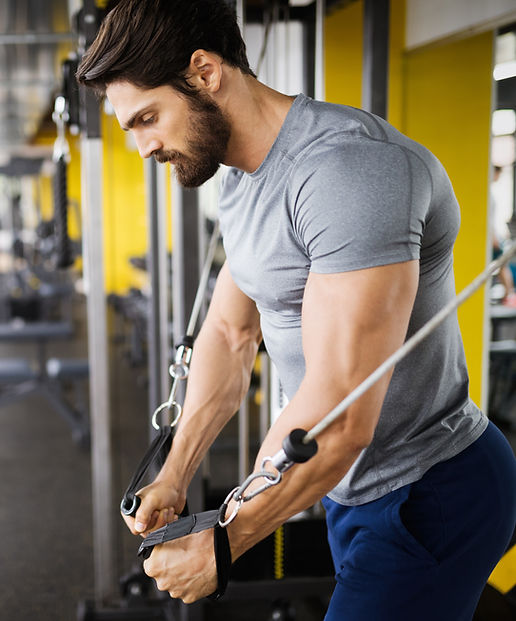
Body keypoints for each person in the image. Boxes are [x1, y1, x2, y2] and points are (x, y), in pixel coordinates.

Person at [76, 1, 516, 617]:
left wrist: (223, 543)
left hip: (428, 489)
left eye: (148, 118)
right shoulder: (239, 175)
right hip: (352, 486)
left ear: (205, 73)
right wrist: (175, 470)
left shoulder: (349, 172)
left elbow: (342, 407)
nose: (145, 147)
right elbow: (231, 332)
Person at [490, 165, 516, 307]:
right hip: (491, 239)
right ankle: (509, 294)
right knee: (502, 266)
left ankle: (508, 294)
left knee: (502, 266)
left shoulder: (491, 195)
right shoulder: (489, 196)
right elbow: (488, 222)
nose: (498, 177)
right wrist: (494, 240)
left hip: (493, 237)